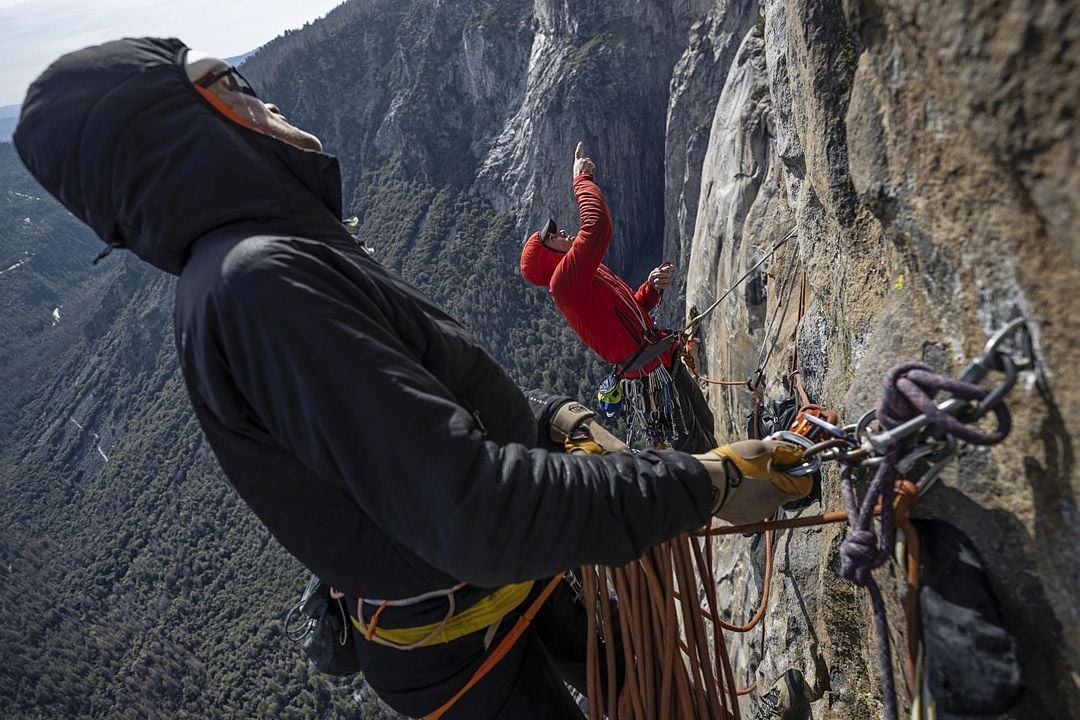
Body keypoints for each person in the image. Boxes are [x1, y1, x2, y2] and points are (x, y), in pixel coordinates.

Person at [14, 38, 812, 719]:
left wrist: (551, 417)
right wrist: (702, 484)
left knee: (647, 683)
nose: (267, 100)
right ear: (183, 133)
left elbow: (436, 399)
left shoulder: (279, 259)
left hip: (481, 601)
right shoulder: (260, 286)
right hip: (465, 639)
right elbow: (470, 510)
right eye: (233, 83)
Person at [520, 145, 717, 453]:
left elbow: (628, 313)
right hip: (652, 375)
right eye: (553, 236)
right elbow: (597, 226)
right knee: (696, 450)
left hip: (662, 363)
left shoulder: (585, 275)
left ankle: (729, 489)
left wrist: (650, 289)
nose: (563, 233)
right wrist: (581, 179)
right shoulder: (564, 283)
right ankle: (721, 496)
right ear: (546, 257)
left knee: (704, 428)